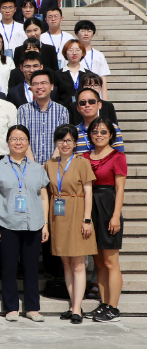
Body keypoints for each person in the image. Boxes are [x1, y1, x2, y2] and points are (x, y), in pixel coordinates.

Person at [0, 125, 49, 322]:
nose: (18, 142)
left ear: (28, 142)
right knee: (8, 267)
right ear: (7, 142)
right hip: (7, 222)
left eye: (22, 139)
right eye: (14, 139)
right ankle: (11, 308)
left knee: (31, 268)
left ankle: (32, 307)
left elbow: (44, 197)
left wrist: (46, 224)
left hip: (33, 223)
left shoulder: (37, 168)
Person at [44, 124, 96, 324]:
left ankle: (76, 308)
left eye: (69, 140)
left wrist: (87, 219)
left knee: (79, 263)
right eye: (61, 140)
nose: (65, 144)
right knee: (66, 263)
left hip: (77, 212)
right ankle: (74, 304)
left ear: (75, 142)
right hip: (58, 216)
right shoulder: (49, 164)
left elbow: (89, 192)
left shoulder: (82, 162)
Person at [84, 117, 127, 323]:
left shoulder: (118, 157)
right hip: (89, 208)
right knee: (98, 262)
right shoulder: (84, 157)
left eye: (103, 132)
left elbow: (120, 189)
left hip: (108, 207)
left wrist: (116, 215)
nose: (98, 135)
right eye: (95, 131)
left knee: (110, 262)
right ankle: (104, 304)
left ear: (111, 135)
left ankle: (113, 307)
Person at [18, 69, 69, 163]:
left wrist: (51, 165)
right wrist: (33, 165)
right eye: (35, 84)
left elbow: (62, 140)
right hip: (30, 164)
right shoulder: (23, 110)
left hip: (55, 164)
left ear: (52, 86)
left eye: (43, 83)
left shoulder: (62, 111)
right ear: (31, 88)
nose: (39, 87)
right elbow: (23, 139)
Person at [74, 88, 124, 153]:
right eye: (83, 103)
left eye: (91, 102)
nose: (87, 105)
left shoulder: (112, 128)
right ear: (78, 108)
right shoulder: (74, 132)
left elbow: (119, 155)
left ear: (99, 105)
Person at [75, 19, 111, 100]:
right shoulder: (73, 54)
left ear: (93, 34)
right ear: (77, 34)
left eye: (89, 31)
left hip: (96, 96)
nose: (86, 34)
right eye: (83, 31)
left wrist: (105, 100)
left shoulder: (99, 55)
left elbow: (103, 78)